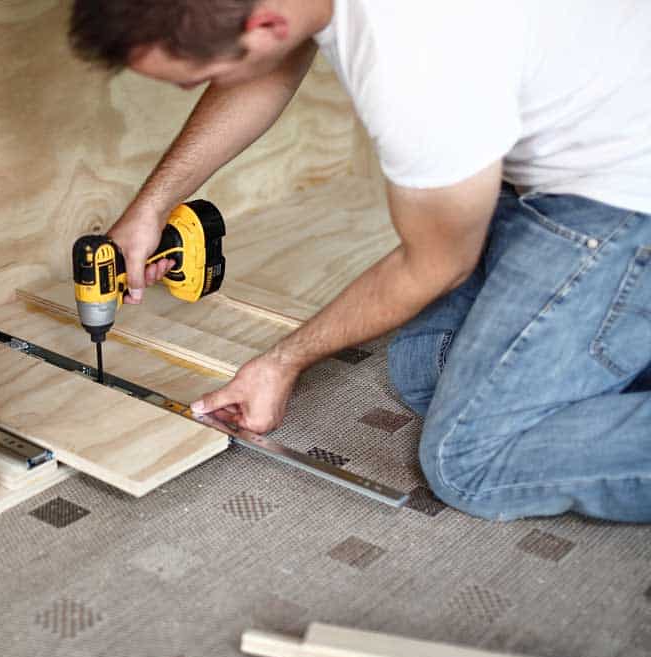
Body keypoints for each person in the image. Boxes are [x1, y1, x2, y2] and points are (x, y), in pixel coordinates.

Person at [68, 0, 651, 522]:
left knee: (469, 460)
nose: (189, 92)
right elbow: (266, 63)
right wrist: (151, 208)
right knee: (427, 366)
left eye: (203, 78)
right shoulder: (294, 13)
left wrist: (282, 361)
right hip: (550, 155)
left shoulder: (417, 62)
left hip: (620, 199)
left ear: (267, 23)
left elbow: (435, 265)